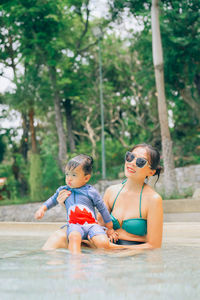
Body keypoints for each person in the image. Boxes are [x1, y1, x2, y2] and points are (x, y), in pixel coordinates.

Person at [39, 144, 163, 251]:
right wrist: (67, 204)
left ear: (151, 172)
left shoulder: (153, 199)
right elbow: (94, 224)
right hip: (105, 245)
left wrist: (116, 249)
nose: (132, 163)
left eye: (140, 161)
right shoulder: (112, 191)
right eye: (130, 157)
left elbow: (154, 246)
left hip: (132, 251)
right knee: (58, 237)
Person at [35, 154, 119, 254]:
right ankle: (76, 260)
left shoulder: (91, 192)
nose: (69, 178)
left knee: (102, 242)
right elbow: (52, 200)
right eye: (67, 174)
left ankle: (98, 263)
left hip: (92, 225)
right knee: (74, 238)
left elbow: (103, 209)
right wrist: (42, 209)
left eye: (74, 175)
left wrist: (110, 228)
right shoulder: (63, 190)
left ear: (86, 178)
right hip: (74, 225)